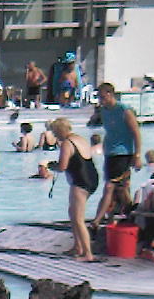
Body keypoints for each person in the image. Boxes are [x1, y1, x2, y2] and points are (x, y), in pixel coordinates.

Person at [91, 82, 143, 228]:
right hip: (110, 153)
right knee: (120, 188)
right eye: (99, 97)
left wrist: (137, 155)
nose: (101, 100)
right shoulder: (104, 111)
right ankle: (121, 214)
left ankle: (96, 220)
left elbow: (136, 133)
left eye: (102, 97)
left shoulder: (124, 110)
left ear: (110, 94)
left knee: (110, 187)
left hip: (123, 153)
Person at [51, 117, 100, 261]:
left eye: (55, 132)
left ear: (60, 131)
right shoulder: (80, 139)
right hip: (92, 178)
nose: (55, 136)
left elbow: (62, 167)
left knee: (78, 218)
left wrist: (51, 166)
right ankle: (77, 247)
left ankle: (87, 253)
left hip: (80, 181)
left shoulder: (67, 143)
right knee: (72, 212)